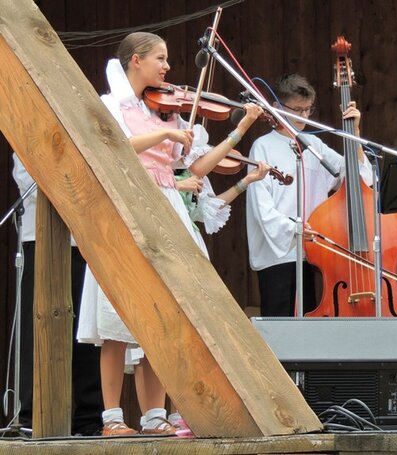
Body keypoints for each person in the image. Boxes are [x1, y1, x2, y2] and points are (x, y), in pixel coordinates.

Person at [76, 31, 270, 437]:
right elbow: (114, 147)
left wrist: (242, 128)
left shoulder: (167, 114)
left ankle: (154, 416)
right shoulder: (111, 105)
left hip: (167, 209)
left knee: (163, 318)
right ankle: (112, 418)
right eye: (160, 59)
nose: (167, 68)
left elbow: (196, 170)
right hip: (128, 209)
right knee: (116, 317)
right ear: (135, 61)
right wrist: (165, 135)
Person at [246, 73, 373, 317]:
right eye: (297, 110)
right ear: (276, 108)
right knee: (281, 330)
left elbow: (358, 178)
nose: (303, 117)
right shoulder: (262, 146)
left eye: (308, 110)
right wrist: (294, 228)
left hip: (313, 254)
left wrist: (354, 133)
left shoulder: (314, 146)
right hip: (279, 255)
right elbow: (262, 210)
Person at [11, 155, 104, 436]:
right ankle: (30, 416)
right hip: (37, 237)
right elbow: (27, 177)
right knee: (35, 331)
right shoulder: (29, 131)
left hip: (83, 236)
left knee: (86, 330)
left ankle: (89, 419)